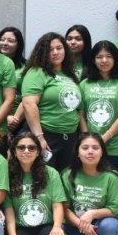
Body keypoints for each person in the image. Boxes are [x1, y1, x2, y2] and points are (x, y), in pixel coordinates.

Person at [3, 131, 68, 235]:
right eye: (21, 147)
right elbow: (9, 210)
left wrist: (57, 227)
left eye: (31, 148)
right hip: (20, 228)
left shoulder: (51, 173)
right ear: (14, 151)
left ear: (38, 152)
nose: (26, 151)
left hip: (45, 226)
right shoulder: (7, 174)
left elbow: (57, 204)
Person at [63, 133, 118, 235]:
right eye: (85, 148)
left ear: (102, 152)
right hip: (77, 226)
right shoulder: (68, 175)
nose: (90, 151)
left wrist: (92, 214)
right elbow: (64, 208)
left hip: (103, 223)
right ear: (78, 152)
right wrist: (82, 224)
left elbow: (114, 209)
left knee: (110, 226)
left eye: (95, 148)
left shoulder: (112, 177)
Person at [20, 32, 82, 170]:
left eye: (59, 48)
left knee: (65, 179)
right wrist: (39, 137)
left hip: (70, 138)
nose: (55, 52)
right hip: (47, 136)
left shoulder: (70, 74)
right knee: (47, 181)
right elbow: (29, 104)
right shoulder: (37, 72)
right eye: (50, 49)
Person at [79, 41, 118, 173]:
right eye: (99, 57)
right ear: (93, 60)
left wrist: (103, 140)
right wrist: (88, 138)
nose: (104, 60)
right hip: (89, 147)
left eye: (109, 56)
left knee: (114, 184)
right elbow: (80, 114)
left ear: (115, 59)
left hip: (114, 146)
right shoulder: (85, 84)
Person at [0, 26, 27, 134]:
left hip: (19, 119)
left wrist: (15, 119)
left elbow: (28, 96)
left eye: (10, 41)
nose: (5, 43)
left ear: (18, 44)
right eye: (2, 39)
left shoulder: (26, 67)